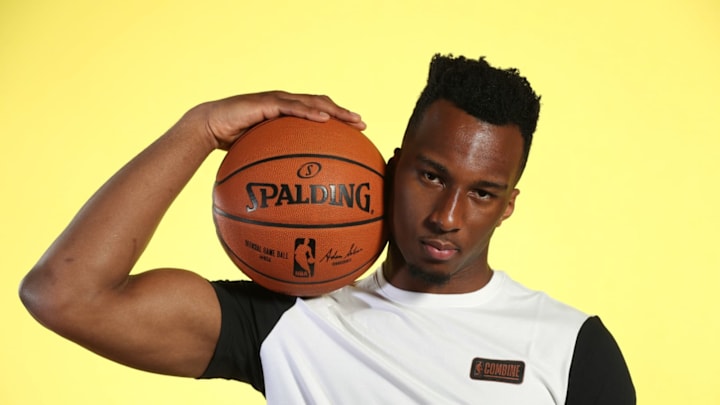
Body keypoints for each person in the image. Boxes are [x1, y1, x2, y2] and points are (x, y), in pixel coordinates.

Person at [20, 54, 635, 404]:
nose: (448, 215)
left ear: (508, 205)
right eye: (430, 176)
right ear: (389, 170)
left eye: (482, 193)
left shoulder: (570, 347)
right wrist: (201, 129)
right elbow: (65, 295)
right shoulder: (293, 320)